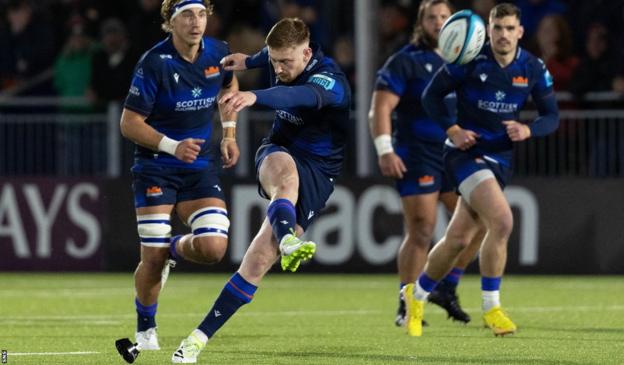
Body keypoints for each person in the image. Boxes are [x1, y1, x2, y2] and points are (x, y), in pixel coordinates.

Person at [170, 17, 351, 363]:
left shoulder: (331, 82)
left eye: (287, 61)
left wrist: (253, 94)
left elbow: (296, 94)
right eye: (274, 61)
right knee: (286, 179)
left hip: (320, 172)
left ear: (307, 53)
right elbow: (267, 61)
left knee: (255, 263)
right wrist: (250, 60)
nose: (279, 68)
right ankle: (288, 240)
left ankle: (195, 337)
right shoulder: (277, 60)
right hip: (279, 150)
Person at [405, 3, 559, 337]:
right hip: (465, 154)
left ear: (520, 31)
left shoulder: (532, 67)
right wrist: (453, 130)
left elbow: (551, 115)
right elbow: (432, 97)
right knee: (502, 221)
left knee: (458, 239)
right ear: (488, 30)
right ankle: (492, 308)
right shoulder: (469, 59)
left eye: (509, 28)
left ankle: (415, 295)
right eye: (497, 27)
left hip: (500, 159)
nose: (503, 34)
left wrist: (529, 129)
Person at [118, 0, 240, 353]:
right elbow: (128, 123)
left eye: (201, 14)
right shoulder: (154, 62)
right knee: (150, 259)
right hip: (156, 166)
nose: (195, 22)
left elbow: (230, 89)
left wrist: (229, 134)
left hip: (200, 166)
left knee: (214, 248)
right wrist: (172, 146)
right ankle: (145, 330)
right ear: (170, 23)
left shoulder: (219, 52)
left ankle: (170, 248)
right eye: (187, 15)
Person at [368, 0, 483, 327]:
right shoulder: (406, 61)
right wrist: (385, 149)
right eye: (432, 17)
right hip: (418, 153)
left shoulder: (468, 63)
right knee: (421, 229)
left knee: (479, 221)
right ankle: (406, 304)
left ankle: (446, 286)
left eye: (444, 17)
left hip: (456, 154)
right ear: (421, 23)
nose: (438, 22)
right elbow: (380, 108)